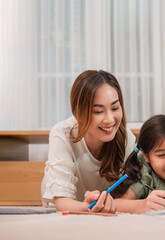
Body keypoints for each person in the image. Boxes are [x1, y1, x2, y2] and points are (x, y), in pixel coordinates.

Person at [41, 70, 136, 213]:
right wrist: (87, 207)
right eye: (98, 111)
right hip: (65, 210)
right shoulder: (62, 133)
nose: (110, 119)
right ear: (78, 112)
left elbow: (126, 195)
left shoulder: (126, 138)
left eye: (115, 108)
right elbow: (61, 201)